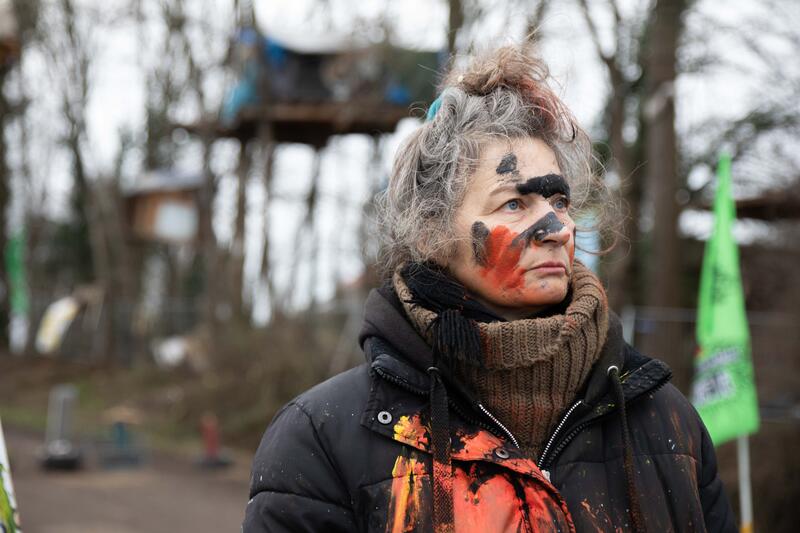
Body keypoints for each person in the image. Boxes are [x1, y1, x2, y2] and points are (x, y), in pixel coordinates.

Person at [242, 43, 735, 532]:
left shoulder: (669, 425)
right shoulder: (323, 438)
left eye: (559, 201)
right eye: (515, 205)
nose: (557, 229)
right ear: (432, 233)